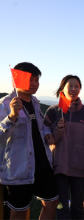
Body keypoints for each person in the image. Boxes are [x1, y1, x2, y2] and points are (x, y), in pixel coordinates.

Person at [0, 62, 58, 220]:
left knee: (52, 202)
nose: (35, 84)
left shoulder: (35, 102)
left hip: (42, 163)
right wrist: (11, 116)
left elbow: (40, 126)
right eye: (30, 79)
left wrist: (47, 133)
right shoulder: (5, 104)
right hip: (19, 168)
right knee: (18, 212)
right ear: (18, 79)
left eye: (37, 80)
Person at [44, 75, 84, 220]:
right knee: (62, 207)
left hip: (79, 167)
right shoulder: (53, 111)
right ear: (63, 88)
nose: (74, 89)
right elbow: (47, 138)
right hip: (59, 167)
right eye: (70, 86)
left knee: (77, 206)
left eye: (77, 86)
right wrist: (57, 128)